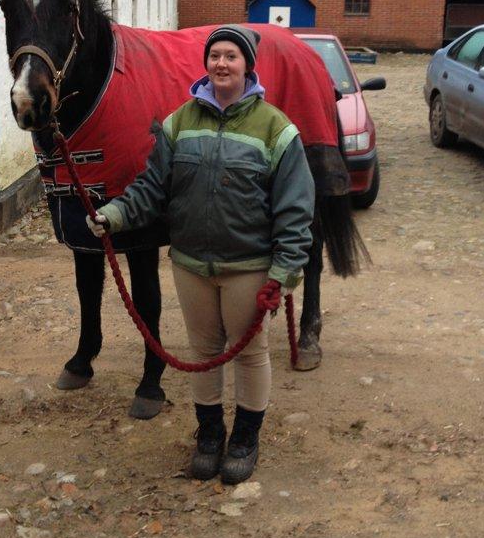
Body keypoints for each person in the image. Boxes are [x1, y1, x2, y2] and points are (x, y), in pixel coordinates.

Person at [86, 25, 315, 484]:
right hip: (192, 265)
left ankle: (246, 438)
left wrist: (285, 270)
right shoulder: (179, 123)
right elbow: (152, 188)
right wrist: (113, 214)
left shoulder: (276, 129)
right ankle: (210, 434)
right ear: (206, 64)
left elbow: (295, 208)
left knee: (248, 355)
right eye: (215, 56)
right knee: (204, 350)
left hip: (248, 268)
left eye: (231, 56)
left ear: (248, 65)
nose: (222, 64)